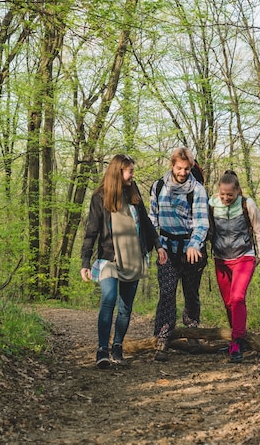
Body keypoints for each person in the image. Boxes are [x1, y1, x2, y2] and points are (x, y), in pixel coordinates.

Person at [81, 154, 167, 369]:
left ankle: (117, 346)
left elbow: (146, 222)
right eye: (130, 170)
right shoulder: (100, 197)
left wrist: (158, 245)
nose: (133, 174)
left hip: (134, 256)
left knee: (125, 308)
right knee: (108, 300)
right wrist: (84, 261)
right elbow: (91, 231)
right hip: (109, 257)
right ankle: (102, 349)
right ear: (118, 172)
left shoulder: (133, 192)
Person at [149, 147, 209, 361]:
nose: (183, 172)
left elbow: (202, 222)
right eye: (179, 168)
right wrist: (154, 245)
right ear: (172, 165)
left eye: (186, 168)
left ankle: (192, 332)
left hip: (191, 249)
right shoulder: (158, 187)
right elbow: (152, 219)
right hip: (166, 248)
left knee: (191, 293)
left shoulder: (198, 190)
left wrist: (195, 244)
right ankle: (164, 337)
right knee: (166, 292)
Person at [209, 170, 260, 362]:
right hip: (221, 259)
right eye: (223, 194)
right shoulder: (212, 204)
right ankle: (237, 336)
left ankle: (236, 341)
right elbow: (205, 227)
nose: (226, 198)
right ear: (218, 191)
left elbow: (258, 228)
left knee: (237, 297)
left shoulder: (247, 204)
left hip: (244, 256)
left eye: (230, 195)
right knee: (228, 302)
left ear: (238, 191)